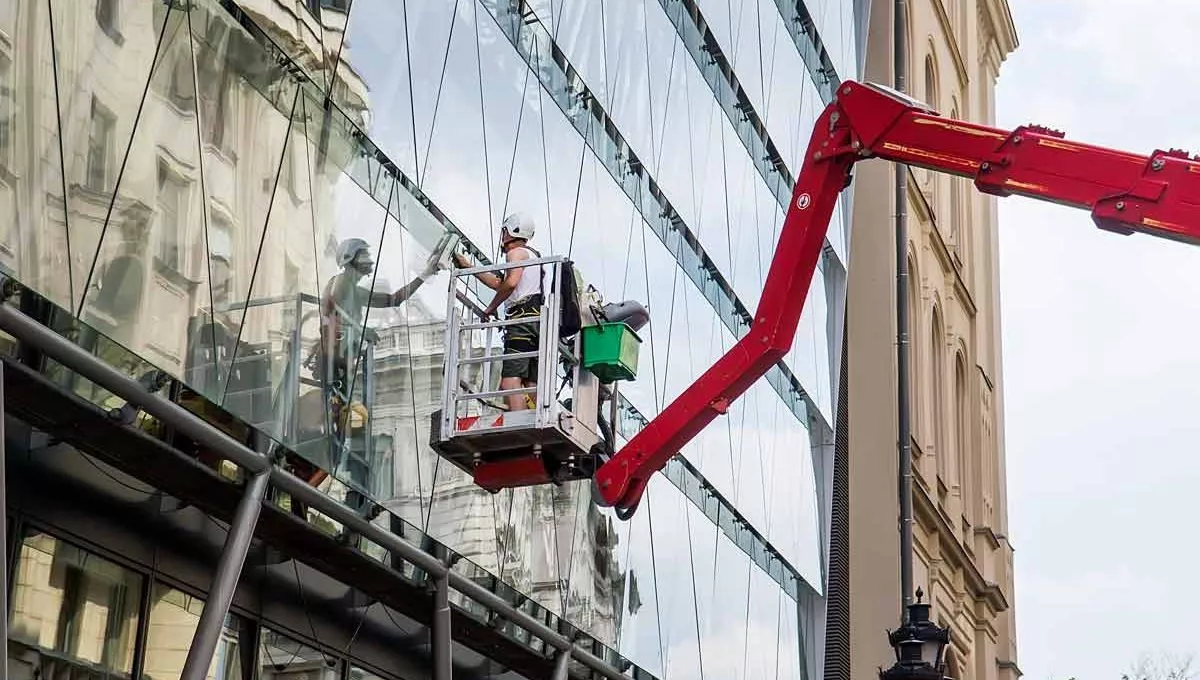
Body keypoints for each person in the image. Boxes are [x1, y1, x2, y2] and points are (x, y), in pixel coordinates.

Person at [453, 213, 545, 412]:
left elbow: (510, 283)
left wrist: (490, 309)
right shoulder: (533, 256)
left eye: (503, 232)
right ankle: (536, 425)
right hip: (537, 322)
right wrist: (468, 267)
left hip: (522, 322)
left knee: (509, 382)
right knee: (530, 383)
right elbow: (500, 284)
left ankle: (523, 425)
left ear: (509, 231)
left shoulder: (516, 253)